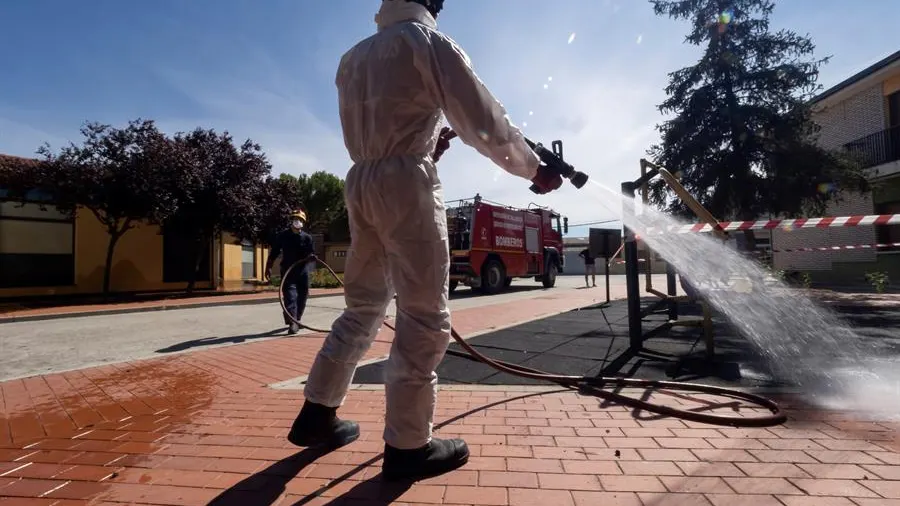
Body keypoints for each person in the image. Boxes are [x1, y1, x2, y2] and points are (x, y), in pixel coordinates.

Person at [285, 0, 564, 482]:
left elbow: (384, 121)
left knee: (363, 306)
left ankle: (317, 414)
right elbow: (485, 122)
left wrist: (424, 143)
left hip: (361, 181)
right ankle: (410, 445)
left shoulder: (352, 58)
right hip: (405, 185)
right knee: (423, 313)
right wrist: (534, 168)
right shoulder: (428, 42)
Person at [264, 210, 315, 335]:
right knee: (290, 297)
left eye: (300, 220)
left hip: (302, 272)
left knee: (302, 297)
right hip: (288, 271)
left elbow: (311, 253)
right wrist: (268, 266)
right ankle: (293, 322)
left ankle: (296, 319)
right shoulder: (283, 236)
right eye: (295, 219)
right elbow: (274, 252)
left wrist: (311, 257)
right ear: (291, 221)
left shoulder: (307, 238)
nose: (297, 221)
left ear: (303, 222)